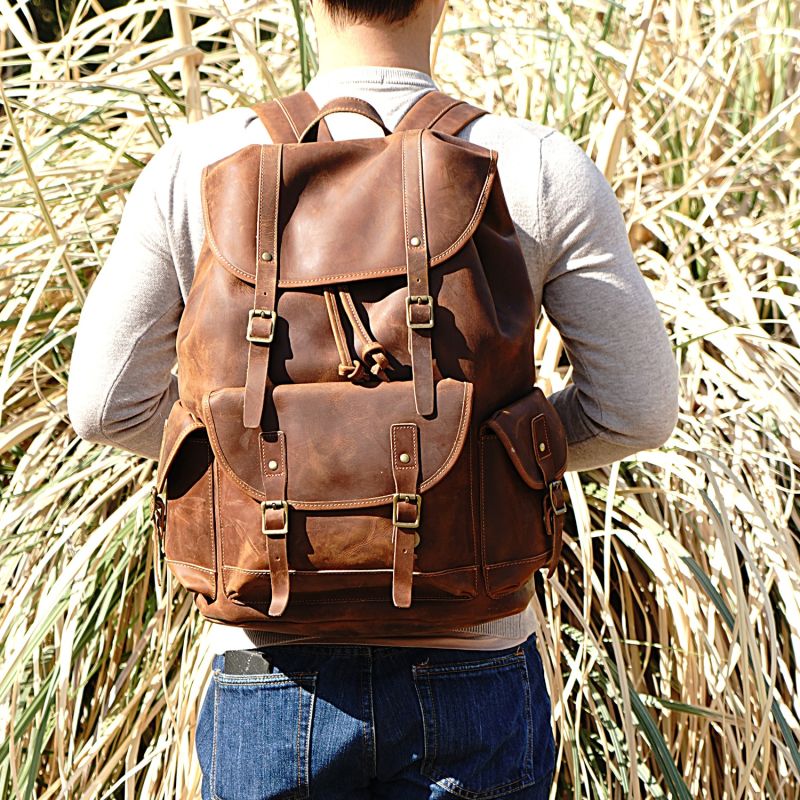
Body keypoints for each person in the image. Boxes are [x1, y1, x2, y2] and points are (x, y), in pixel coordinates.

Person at [66, 0, 679, 797]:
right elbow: (635, 408)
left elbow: (105, 404)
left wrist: (257, 467)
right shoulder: (534, 165)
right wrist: (476, 462)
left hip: (267, 664)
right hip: (473, 654)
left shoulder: (198, 164)